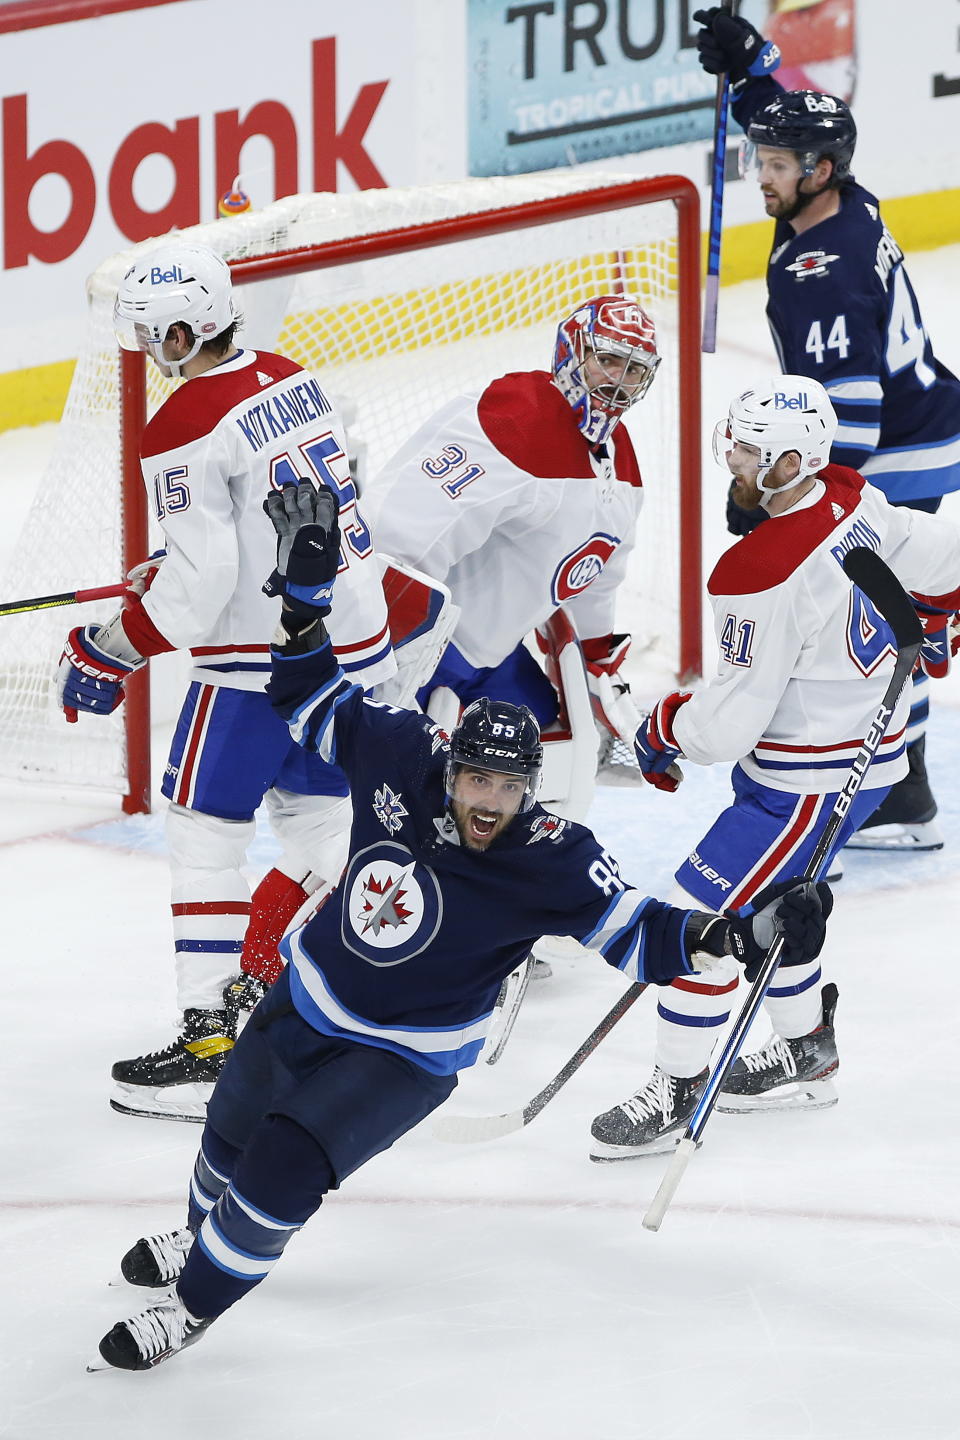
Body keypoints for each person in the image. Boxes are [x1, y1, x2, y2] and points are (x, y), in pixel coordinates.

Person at [89, 478, 832, 1371]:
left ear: (528, 792)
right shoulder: (403, 752)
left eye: (509, 790)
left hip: (405, 1055)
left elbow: (643, 933)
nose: (490, 803)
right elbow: (310, 698)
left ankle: (196, 1301)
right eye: (478, 782)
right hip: (310, 994)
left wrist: (742, 935)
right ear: (453, 767)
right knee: (232, 1123)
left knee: (284, 1163)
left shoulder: (550, 855)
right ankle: (199, 1234)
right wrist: (302, 604)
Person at [57, 242, 395, 1121]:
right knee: (323, 828)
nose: (142, 348)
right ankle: (378, 984)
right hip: (352, 645)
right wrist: (174, 563)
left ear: (181, 327)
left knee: (205, 834)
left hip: (257, 668)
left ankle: (211, 1042)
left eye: (148, 332)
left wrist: (109, 648)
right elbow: (302, 501)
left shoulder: (179, 425)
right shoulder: (292, 372)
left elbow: (199, 597)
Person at [589, 376, 960, 1161]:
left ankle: (679, 1083)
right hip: (865, 756)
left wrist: (660, 728)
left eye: (750, 451)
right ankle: (805, 1051)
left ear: (792, 462)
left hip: (802, 785)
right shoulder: (854, 496)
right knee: (778, 907)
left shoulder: (757, 574)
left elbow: (726, 726)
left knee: (694, 923)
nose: (733, 459)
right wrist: (943, 609)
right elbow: (944, 556)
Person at [692, 6, 960, 851]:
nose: (759, 176)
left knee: (869, 607)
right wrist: (752, 68)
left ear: (819, 171)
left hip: (897, 449)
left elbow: (855, 413)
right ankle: (899, 780)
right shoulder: (843, 201)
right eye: (759, 158)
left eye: (774, 165)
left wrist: (794, 500)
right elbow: (792, 127)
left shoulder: (823, 271)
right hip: (930, 423)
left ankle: (897, 792)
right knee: (879, 601)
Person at [361, 292, 659, 753]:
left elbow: (599, 573)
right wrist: (377, 656)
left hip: (490, 658)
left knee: (550, 754)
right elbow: (400, 535)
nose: (620, 383)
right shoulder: (516, 420)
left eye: (635, 370)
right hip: (420, 650)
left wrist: (598, 659)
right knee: (378, 790)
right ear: (573, 352)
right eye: (609, 361)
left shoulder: (623, 462)